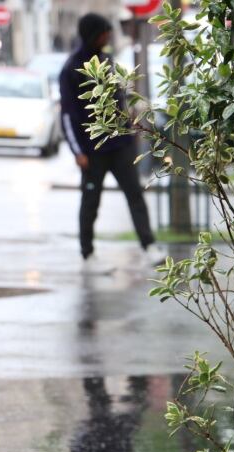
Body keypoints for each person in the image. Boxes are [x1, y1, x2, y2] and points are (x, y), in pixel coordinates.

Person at [59, 13, 163, 267]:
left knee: (135, 196)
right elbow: (68, 114)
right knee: (90, 201)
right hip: (92, 151)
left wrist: (130, 130)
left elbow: (120, 100)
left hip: (120, 146)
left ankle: (149, 245)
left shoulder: (107, 61)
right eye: (103, 32)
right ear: (92, 34)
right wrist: (77, 151)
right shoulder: (71, 69)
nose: (107, 37)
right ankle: (88, 252)